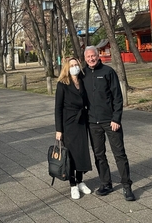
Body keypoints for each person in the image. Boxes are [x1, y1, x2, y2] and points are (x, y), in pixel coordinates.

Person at [83, 45, 135, 201]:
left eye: (93, 56)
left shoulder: (108, 72)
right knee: (99, 155)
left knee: (119, 154)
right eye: (88, 57)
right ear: (85, 59)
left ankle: (127, 186)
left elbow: (118, 97)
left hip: (110, 121)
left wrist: (116, 118)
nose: (91, 59)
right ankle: (106, 183)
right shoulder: (83, 74)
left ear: (98, 56)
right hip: (92, 122)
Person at [55, 57, 92, 200]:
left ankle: (80, 180)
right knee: (70, 155)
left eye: (76, 64)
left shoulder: (83, 81)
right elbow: (58, 108)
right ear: (67, 68)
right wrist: (59, 129)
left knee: (82, 152)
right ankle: (72, 185)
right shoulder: (62, 84)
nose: (74, 67)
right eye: (71, 65)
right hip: (68, 123)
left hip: (82, 122)